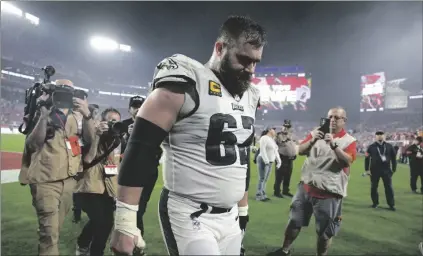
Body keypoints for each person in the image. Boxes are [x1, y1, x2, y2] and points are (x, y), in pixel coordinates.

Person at [110, 15, 266, 255]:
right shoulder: (187, 82)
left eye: (256, 62)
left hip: (230, 216)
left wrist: (243, 209)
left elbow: (240, 158)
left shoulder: (251, 95)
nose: (250, 69)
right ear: (220, 48)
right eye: (243, 60)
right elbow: (141, 147)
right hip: (190, 213)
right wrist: (125, 222)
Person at [18, 79, 96, 255]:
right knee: (50, 234)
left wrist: (88, 115)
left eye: (68, 92)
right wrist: (44, 115)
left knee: (54, 231)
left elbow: (90, 141)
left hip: (68, 182)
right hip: (45, 181)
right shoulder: (41, 112)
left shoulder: (76, 117)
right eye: (60, 91)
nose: (64, 96)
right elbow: (33, 145)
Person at [270, 107, 357, 256]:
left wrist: (334, 145)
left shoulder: (349, 140)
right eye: (330, 117)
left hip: (328, 193)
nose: (333, 120)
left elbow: (347, 162)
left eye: (337, 118)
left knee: (324, 232)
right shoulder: (316, 133)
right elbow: (300, 150)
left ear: (344, 121)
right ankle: (284, 250)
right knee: (294, 222)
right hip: (305, 188)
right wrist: (313, 140)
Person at [75, 108, 123, 256]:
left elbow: (113, 169)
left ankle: (91, 249)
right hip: (87, 187)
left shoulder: (116, 140)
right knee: (100, 220)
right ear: (102, 121)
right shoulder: (90, 135)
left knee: (106, 223)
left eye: (116, 121)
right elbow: (88, 159)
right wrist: (97, 136)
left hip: (107, 190)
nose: (113, 124)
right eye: (110, 120)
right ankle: (85, 245)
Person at [120, 96, 162, 240]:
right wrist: (127, 137)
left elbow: (159, 150)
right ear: (129, 109)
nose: (138, 108)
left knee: (141, 208)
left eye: (141, 105)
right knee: (130, 209)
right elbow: (115, 151)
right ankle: (134, 239)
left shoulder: (155, 125)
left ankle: (134, 238)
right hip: (128, 172)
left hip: (148, 171)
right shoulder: (122, 125)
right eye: (135, 106)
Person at [73, 103, 100, 223]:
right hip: (83, 161)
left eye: (97, 113)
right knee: (78, 188)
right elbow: (74, 143)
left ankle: (91, 213)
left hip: (95, 162)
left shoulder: (99, 125)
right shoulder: (79, 125)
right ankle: (77, 213)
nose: (96, 115)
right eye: (94, 112)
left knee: (91, 188)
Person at [364, 131, 397, 210]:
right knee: (374, 187)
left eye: (381, 135)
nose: (380, 136)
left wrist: (393, 169)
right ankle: (375, 203)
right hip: (374, 171)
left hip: (386, 170)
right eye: (378, 135)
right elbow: (367, 159)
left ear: (384, 136)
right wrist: (367, 169)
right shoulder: (371, 147)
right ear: (375, 137)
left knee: (389, 187)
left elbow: (394, 159)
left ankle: (391, 204)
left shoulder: (389, 146)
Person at [256, 127, 281, 201]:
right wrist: (266, 161)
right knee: (262, 178)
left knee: (265, 179)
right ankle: (259, 195)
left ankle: (263, 194)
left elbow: (275, 151)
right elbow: (262, 149)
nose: (275, 131)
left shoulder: (272, 140)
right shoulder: (264, 138)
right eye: (273, 129)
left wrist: (279, 161)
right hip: (263, 160)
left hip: (270, 162)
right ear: (269, 130)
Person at [274, 121, 297, 198]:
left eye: (288, 127)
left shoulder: (292, 135)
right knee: (279, 176)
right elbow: (278, 144)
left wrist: (294, 154)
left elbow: (293, 145)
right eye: (285, 127)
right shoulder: (279, 135)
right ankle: (277, 191)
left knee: (288, 176)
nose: (286, 128)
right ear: (282, 127)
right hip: (281, 158)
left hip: (290, 159)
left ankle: (285, 190)